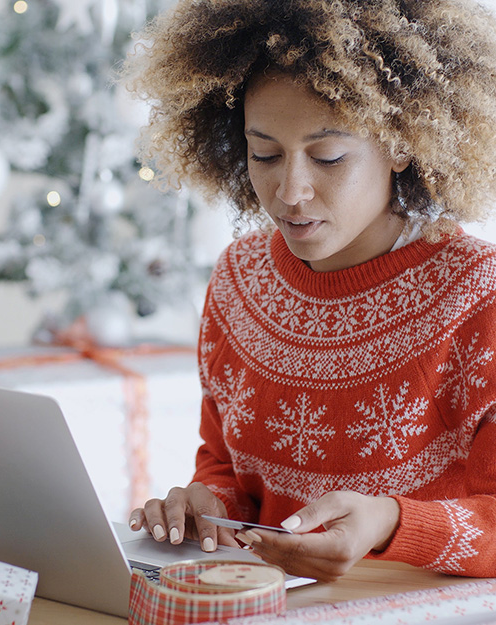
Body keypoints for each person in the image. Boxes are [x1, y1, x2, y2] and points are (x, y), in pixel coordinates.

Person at [123, 0, 496, 582]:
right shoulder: (239, 278)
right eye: (264, 154)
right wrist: (209, 504)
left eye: (328, 156)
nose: (290, 190)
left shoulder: (482, 296)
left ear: (401, 144)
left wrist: (392, 524)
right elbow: (227, 464)